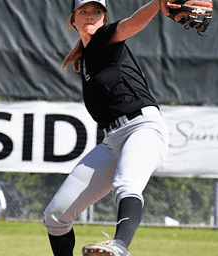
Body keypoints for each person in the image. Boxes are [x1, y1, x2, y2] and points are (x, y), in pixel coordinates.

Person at [44, 0, 169, 255]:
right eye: (84, 11)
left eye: (96, 11)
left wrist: (157, 3)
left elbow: (130, 25)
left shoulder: (105, 39)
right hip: (112, 140)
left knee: (126, 185)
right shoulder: (87, 56)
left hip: (142, 128)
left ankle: (120, 246)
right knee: (55, 216)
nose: (90, 15)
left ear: (104, 19)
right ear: (73, 19)